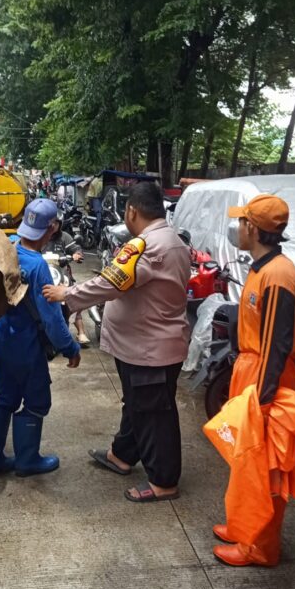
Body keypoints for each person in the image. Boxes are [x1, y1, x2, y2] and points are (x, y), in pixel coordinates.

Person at [44, 182, 190, 502]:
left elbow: (110, 283)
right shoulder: (174, 241)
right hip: (152, 345)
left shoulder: (145, 246)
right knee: (139, 406)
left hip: (148, 348)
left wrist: (67, 294)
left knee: (154, 415)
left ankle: (164, 481)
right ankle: (121, 455)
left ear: (132, 211)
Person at [212, 194, 295, 567]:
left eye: (241, 222)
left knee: (265, 467)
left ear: (253, 228)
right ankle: (241, 526)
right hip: (251, 371)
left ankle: (260, 547)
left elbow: (277, 345)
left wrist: (263, 402)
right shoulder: (261, 267)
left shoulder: (278, 275)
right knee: (245, 461)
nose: (237, 228)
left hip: (267, 378)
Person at [0, 198, 81, 478]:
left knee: (6, 398)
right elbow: (51, 319)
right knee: (36, 402)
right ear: (52, 228)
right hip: (26, 346)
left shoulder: (7, 250)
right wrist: (70, 347)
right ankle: (27, 460)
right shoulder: (38, 268)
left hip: (1, 340)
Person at [44, 216, 90, 345]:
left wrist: (77, 254)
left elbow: (75, 248)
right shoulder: (40, 236)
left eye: (55, 223)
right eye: (50, 223)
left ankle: (65, 330)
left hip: (60, 273)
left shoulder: (64, 236)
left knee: (69, 298)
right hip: (42, 273)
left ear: (59, 224)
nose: (52, 226)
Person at [86, 174, 104, 241]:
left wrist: (89, 206)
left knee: (98, 222)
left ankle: (97, 234)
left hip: (97, 204)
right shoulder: (100, 182)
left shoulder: (94, 182)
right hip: (100, 204)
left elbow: (90, 196)